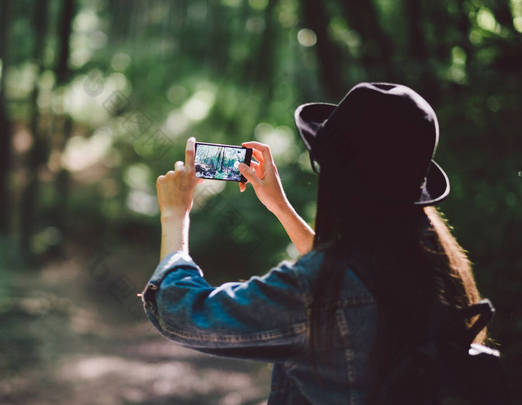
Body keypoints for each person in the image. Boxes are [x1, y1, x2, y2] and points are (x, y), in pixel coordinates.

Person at [139, 82, 484, 404]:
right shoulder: (438, 267)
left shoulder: (316, 288)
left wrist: (175, 214)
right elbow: (349, 277)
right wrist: (281, 207)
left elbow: (182, 312)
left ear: (337, 175)